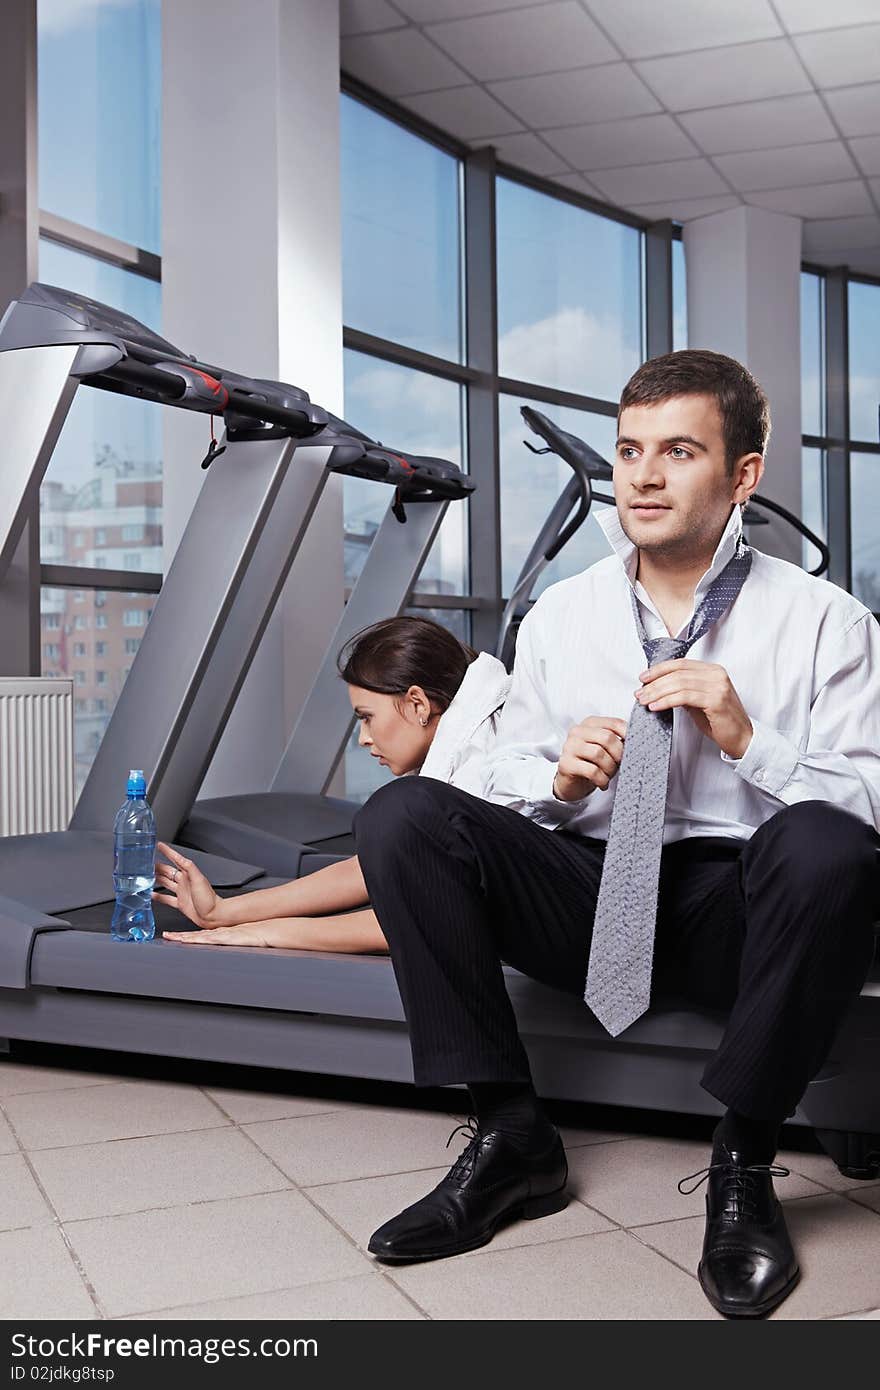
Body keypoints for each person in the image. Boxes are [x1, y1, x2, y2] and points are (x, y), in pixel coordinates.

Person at [353, 349, 880, 1318]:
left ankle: (743, 1163)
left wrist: (748, 741)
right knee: (404, 811)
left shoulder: (825, 623)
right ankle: (510, 1135)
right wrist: (553, 779)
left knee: (824, 841)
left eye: (677, 451)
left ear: (742, 476)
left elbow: (868, 812)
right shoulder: (565, 613)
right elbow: (496, 774)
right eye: (629, 449)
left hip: (740, 905)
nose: (640, 475)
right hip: (591, 890)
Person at [154, 615, 510, 952]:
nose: (363, 738)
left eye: (368, 718)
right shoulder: (465, 754)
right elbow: (371, 867)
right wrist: (222, 912)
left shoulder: (488, 767)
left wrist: (268, 932)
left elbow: (429, 919)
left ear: (417, 703)